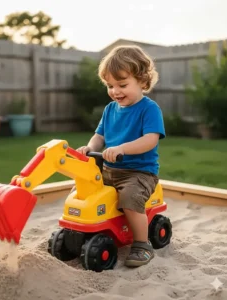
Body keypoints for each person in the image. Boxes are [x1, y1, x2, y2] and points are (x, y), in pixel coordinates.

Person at [76, 45, 165, 268]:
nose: (115, 91)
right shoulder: (110, 109)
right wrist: (89, 148)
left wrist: (123, 148)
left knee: (129, 199)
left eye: (122, 85)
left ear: (143, 81)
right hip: (109, 170)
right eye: (110, 85)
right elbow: (99, 136)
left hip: (139, 173)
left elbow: (150, 140)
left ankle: (142, 245)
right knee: (83, 193)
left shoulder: (149, 109)